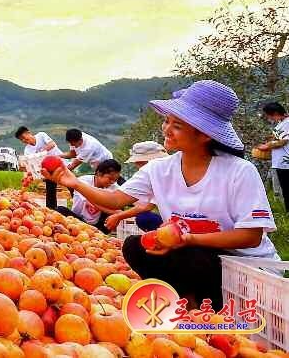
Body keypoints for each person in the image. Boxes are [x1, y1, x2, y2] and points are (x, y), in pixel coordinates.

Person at [41, 81, 278, 309]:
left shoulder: (238, 171)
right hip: (194, 257)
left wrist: (189, 239)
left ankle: (196, 307)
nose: (166, 129)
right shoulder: (160, 169)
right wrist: (73, 182)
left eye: (177, 125)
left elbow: (250, 236)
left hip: (247, 270)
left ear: (205, 134)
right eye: (167, 121)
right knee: (135, 246)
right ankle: (186, 304)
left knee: (194, 256)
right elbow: (115, 200)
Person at [104, 141, 168, 232]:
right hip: (176, 218)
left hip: (181, 221)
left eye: (138, 162)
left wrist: (118, 216)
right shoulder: (163, 171)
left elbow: (146, 206)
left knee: (144, 218)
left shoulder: (161, 174)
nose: (136, 165)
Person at [49, 159, 122, 234]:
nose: (112, 182)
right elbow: (91, 202)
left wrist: (118, 213)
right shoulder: (83, 181)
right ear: (99, 173)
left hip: (95, 225)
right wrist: (115, 212)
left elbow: (121, 202)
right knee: (60, 210)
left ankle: (97, 232)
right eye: (110, 179)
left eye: (115, 180)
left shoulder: (114, 187)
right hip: (76, 220)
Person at [15, 126, 62, 209]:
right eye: (21, 140)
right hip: (48, 170)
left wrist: (40, 152)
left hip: (60, 164)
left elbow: (52, 144)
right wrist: (27, 176)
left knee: (71, 185)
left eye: (23, 137)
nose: (23, 140)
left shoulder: (41, 135)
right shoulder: (27, 150)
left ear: (28, 133)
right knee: (50, 190)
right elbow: (30, 165)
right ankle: (52, 210)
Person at [258, 102, 289, 207]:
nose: (269, 118)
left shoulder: (287, 123)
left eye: (269, 115)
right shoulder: (282, 123)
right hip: (281, 162)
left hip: (285, 162)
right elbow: (279, 138)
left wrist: (268, 146)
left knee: (287, 189)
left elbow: (283, 141)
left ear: (275, 113)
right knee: (285, 189)